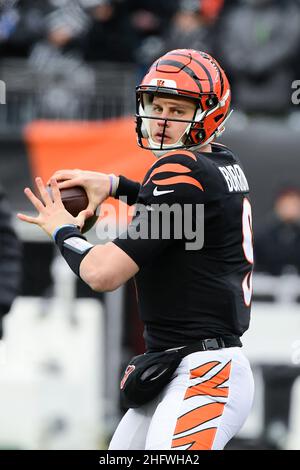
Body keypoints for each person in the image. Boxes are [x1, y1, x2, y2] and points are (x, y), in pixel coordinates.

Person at [17, 49, 254, 450]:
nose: (162, 120)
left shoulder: (179, 170)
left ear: (210, 112)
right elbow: (182, 213)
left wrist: (60, 230)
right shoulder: (220, 163)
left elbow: (102, 273)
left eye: (177, 110)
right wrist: (114, 185)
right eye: (156, 105)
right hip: (182, 366)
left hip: (203, 374)